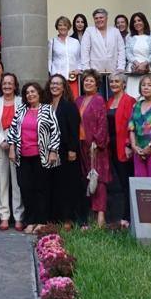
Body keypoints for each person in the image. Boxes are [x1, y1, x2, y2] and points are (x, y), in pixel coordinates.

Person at [7, 82, 60, 234]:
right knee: (25, 188)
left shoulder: (47, 109)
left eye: (33, 92)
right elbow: (12, 130)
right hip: (22, 156)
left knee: (41, 189)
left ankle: (41, 221)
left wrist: (53, 151)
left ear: (39, 93)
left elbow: (55, 132)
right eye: (27, 93)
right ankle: (30, 221)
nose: (30, 95)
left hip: (41, 156)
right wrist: (11, 148)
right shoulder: (21, 110)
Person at [48, 74, 84, 229]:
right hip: (50, 151)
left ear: (64, 87)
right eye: (52, 83)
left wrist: (72, 149)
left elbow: (74, 130)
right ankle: (55, 217)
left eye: (58, 84)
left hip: (66, 151)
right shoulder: (46, 104)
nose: (54, 86)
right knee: (54, 184)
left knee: (67, 185)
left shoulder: (69, 105)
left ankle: (68, 218)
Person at [78, 70, 110, 226]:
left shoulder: (99, 100)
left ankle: (101, 216)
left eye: (91, 81)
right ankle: (90, 213)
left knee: (99, 178)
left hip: (95, 146)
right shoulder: (78, 100)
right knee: (87, 178)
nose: (88, 83)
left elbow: (102, 123)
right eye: (86, 81)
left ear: (97, 84)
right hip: (81, 144)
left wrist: (97, 143)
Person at [0, 73, 24, 230]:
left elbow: (24, 123)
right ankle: (4, 216)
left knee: (17, 183)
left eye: (10, 83)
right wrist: (2, 141)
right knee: (1, 183)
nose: (7, 86)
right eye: (4, 83)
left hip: (18, 145)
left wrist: (12, 142)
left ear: (15, 85)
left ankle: (18, 217)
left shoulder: (21, 101)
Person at [106, 73, 135, 227]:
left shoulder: (130, 101)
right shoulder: (109, 101)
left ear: (124, 84)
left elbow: (132, 124)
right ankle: (115, 217)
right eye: (111, 82)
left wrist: (128, 145)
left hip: (123, 147)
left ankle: (127, 217)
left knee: (125, 182)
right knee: (114, 182)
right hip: (110, 147)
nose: (114, 84)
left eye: (117, 81)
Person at [80, 8, 126, 101]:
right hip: (95, 74)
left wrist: (121, 67)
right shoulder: (89, 31)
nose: (99, 20)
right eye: (96, 18)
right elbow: (85, 51)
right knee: (97, 99)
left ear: (106, 18)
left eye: (101, 17)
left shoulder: (115, 31)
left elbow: (121, 50)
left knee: (113, 98)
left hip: (113, 72)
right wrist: (87, 71)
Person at [125, 12, 151, 100]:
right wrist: (137, 63)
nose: (137, 23)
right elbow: (128, 52)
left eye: (139, 20)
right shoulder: (129, 36)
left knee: (146, 96)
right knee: (132, 97)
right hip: (133, 70)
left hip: (147, 69)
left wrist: (144, 64)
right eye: (134, 21)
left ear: (144, 21)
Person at [49, 16, 81, 97]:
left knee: (73, 102)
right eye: (60, 25)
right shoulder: (52, 42)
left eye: (65, 25)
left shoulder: (75, 42)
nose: (62, 27)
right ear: (57, 27)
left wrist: (79, 69)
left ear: (68, 27)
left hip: (72, 79)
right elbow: (48, 60)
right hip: (57, 80)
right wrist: (52, 74)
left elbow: (79, 59)